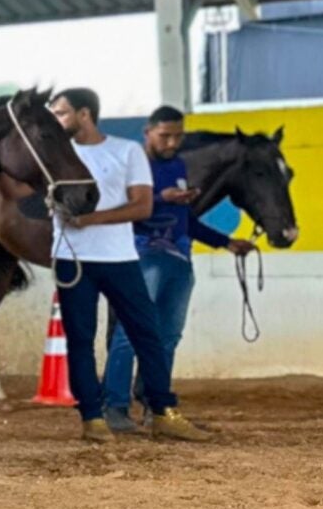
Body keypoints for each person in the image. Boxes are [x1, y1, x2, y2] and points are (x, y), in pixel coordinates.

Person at [44, 88, 211, 443]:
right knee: (80, 339)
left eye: (61, 113)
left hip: (119, 258)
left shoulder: (125, 151)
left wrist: (91, 219)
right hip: (71, 258)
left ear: (84, 114)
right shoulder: (51, 155)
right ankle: (93, 417)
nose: (55, 120)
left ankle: (163, 410)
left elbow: (141, 207)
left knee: (146, 333)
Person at [102, 105, 258, 432]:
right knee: (130, 334)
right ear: (148, 132)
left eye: (178, 136)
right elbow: (120, 210)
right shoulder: (132, 166)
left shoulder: (177, 165)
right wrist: (162, 199)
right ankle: (114, 406)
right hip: (140, 255)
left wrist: (226, 242)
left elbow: (186, 221)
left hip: (178, 259)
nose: (172, 142)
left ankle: (155, 406)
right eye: (165, 136)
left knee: (168, 336)